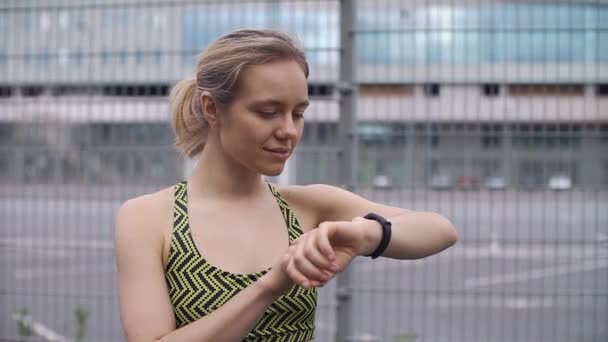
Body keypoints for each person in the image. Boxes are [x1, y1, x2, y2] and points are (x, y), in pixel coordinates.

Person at [114, 29, 458, 342]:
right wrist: (269, 287)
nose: (289, 131)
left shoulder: (307, 206)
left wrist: (366, 235)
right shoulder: (148, 218)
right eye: (267, 112)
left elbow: (440, 230)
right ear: (211, 108)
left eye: (298, 113)